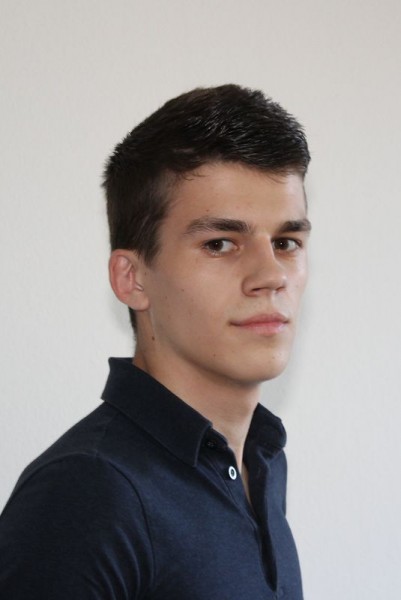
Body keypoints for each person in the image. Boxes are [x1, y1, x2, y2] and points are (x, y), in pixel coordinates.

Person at [0, 84, 311, 599]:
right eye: (220, 243)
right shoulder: (88, 492)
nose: (272, 275)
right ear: (132, 278)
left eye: (286, 242)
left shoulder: (262, 459)